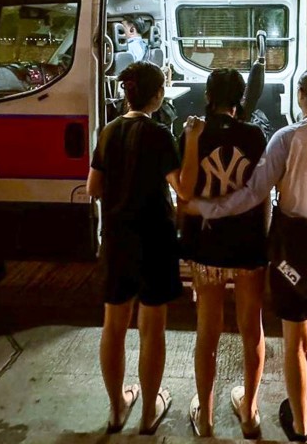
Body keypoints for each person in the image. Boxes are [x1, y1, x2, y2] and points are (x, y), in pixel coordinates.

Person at [188, 65, 307, 443]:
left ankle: (301, 429)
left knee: (294, 342)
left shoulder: (287, 139)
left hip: (294, 257)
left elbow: (254, 193)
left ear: (302, 96)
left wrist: (209, 209)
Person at [87, 61, 189, 435]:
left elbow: (92, 188)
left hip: (116, 240)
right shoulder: (161, 135)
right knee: (152, 329)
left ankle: (116, 409)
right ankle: (148, 413)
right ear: (158, 95)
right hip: (155, 242)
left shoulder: (108, 131)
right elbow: (181, 188)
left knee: (113, 327)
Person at [179, 69, 268, 438]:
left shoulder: (192, 133)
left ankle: (206, 415)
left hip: (206, 246)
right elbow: (262, 194)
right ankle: (249, 412)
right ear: (240, 99)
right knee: (252, 331)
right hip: (248, 246)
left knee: (207, 332)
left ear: (208, 95)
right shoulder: (255, 135)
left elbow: (185, 192)